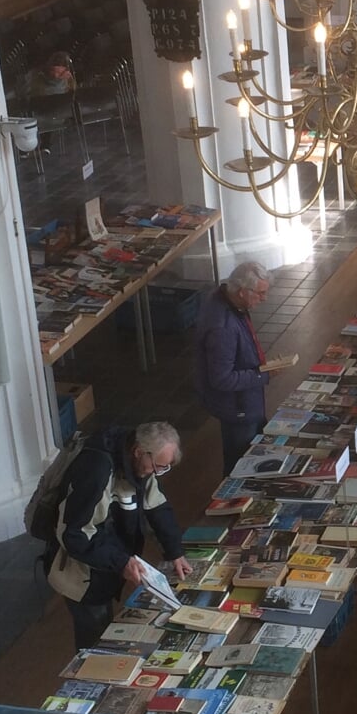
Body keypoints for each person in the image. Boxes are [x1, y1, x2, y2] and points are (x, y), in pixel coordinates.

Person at [48, 421, 193, 649]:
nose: (157, 473)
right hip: (81, 574)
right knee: (95, 641)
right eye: (157, 466)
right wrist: (121, 561)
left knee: (105, 630)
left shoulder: (141, 463)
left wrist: (175, 551)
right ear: (138, 452)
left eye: (165, 468)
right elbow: (74, 535)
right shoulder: (96, 471)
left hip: (107, 560)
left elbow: (157, 506)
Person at [195, 261, 273, 473]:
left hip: (244, 403)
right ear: (241, 291)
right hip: (238, 408)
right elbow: (222, 379)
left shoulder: (228, 301)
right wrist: (262, 375)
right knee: (240, 464)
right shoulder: (223, 328)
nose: (264, 299)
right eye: (260, 293)